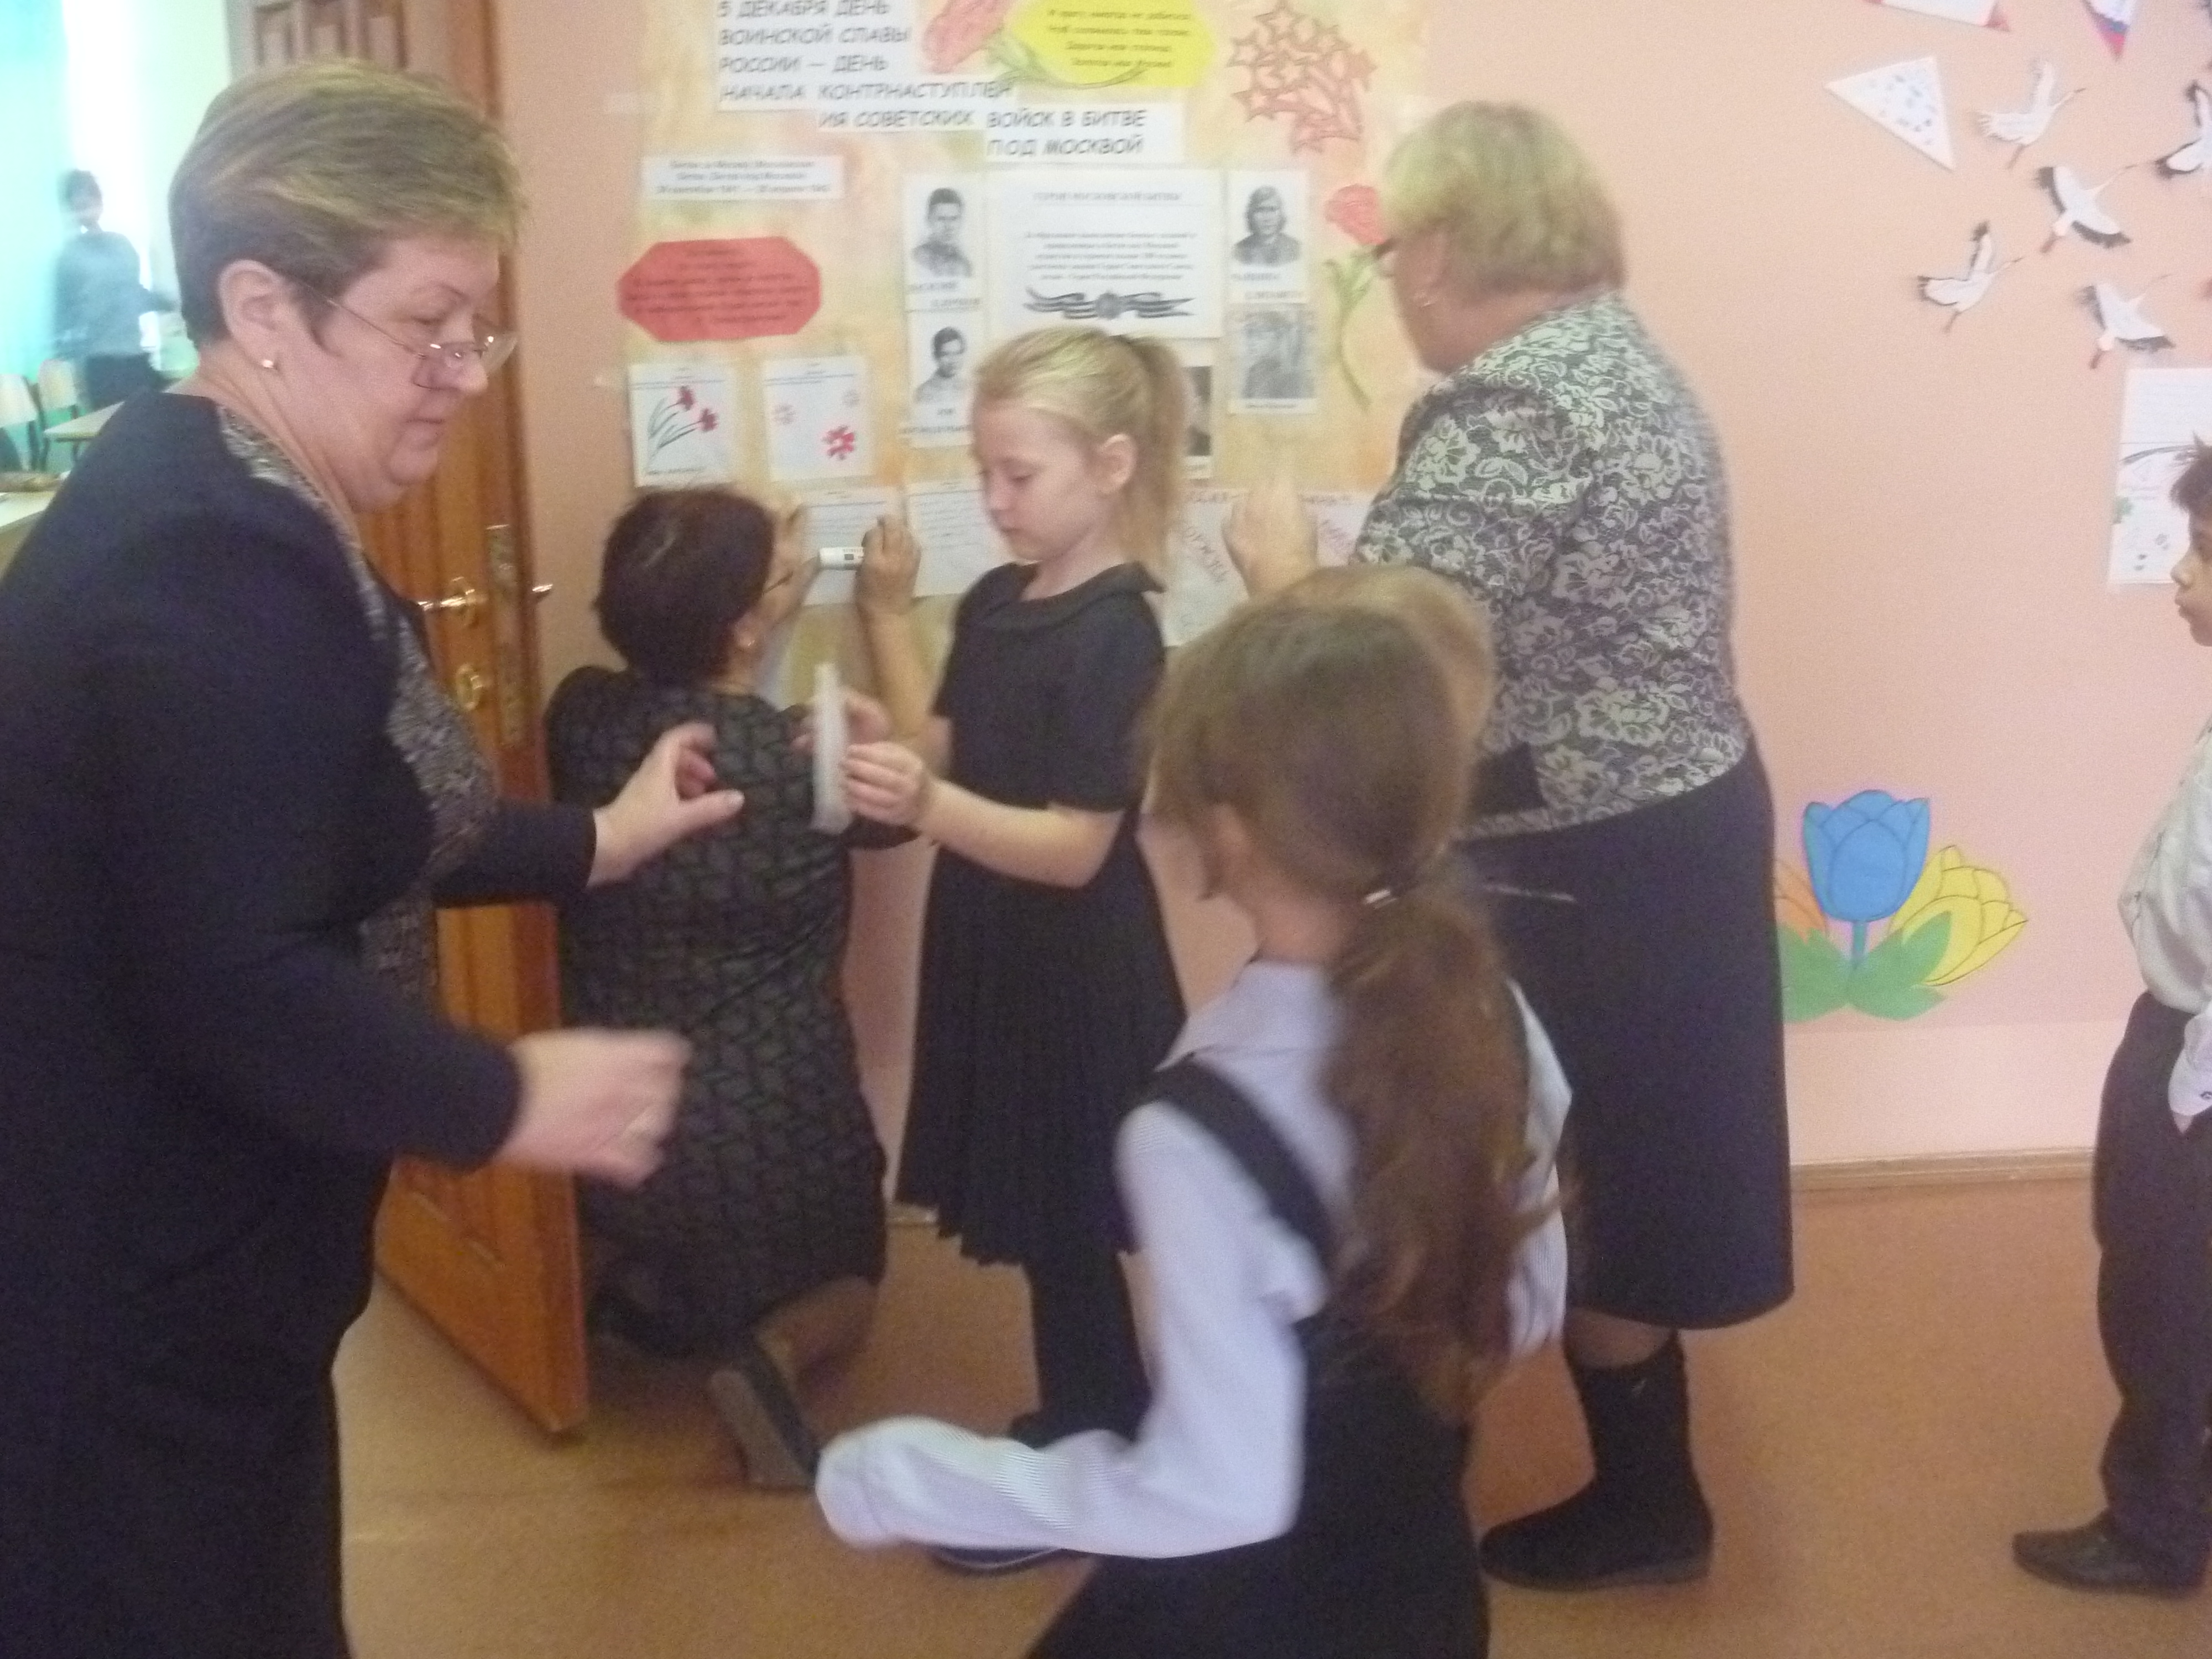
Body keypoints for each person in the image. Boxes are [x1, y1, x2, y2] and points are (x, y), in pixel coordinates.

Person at [0, 61, 744, 1659]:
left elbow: (341, 816)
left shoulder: (223, 492)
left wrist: (603, 839)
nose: (463, 374)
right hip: (130, 1291)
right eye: (429, 324)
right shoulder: (214, 556)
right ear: (264, 307)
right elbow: (229, 971)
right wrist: (507, 1095)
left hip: (200, 1278)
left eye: (479, 327)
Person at [1225, 101, 1791, 1592]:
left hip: (1584, 859)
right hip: (1653, 826)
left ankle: (1467, 1506)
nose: (1392, 283)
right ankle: (1651, 1500)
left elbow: (1380, 686)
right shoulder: (1615, 358)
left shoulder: (1513, 411)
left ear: (1442, 250)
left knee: (1516, 1171)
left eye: (1393, 250)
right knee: (1616, 1176)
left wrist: (1278, 579)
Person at [818, 598, 1571, 1659]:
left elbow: (1218, 1493)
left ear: (1228, 831)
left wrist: (912, 1479)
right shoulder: (1489, 1006)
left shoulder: (1194, 1131)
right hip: (1424, 1595)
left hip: (1256, 1618)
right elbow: (1528, 1306)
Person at [840, 325, 1188, 1567]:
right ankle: (1094, 1417)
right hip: (994, 936)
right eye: (982, 472)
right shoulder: (998, 600)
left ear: (1110, 464)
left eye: (1018, 474)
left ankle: (1101, 1437)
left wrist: (929, 804)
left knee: (1069, 1210)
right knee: (1050, 1219)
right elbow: (953, 742)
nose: (993, 500)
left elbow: (1079, 847)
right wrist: (891, 745)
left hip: (1074, 960)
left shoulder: (1119, 631)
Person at [549, 487, 905, 1490]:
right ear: (746, 624)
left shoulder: (579, 714)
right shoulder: (799, 760)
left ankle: (632, 1294)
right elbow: (909, 795)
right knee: (852, 1277)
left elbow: (692, 691)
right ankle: (773, 1356)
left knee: (657, 1240)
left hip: (608, 1127)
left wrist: (748, 599)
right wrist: (885, 611)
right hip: (772, 1136)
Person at [2012, 449, 2212, 1599]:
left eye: (2203, 556)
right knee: (2152, 1269)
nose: (2179, 577)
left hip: (2194, 1063)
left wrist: (2186, 1084)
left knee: (2162, 1299)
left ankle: (2154, 1527)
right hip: (2171, 1032)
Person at [53, 168, 172, 409]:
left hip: (135, 355)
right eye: (77, 204)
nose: (85, 208)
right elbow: (63, 316)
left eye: (89, 200)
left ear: (100, 201)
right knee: (113, 426)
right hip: (101, 365)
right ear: (70, 209)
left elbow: (135, 294)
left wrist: (170, 302)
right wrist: (74, 367)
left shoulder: (121, 245)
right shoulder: (70, 256)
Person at [1239, 308, 1312, 402]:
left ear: (1278, 338)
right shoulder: (1253, 372)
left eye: (1260, 337)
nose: (1253, 343)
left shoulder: (1288, 376)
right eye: (1251, 337)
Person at [1232, 184, 1301, 267]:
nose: (1267, 218)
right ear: (1251, 215)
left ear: (1281, 214)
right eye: (1260, 210)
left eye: (1272, 210)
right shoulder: (1239, 251)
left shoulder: (1297, 248)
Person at [912, 186, 973, 278]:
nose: (948, 227)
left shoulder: (964, 265)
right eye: (941, 219)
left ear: (961, 220)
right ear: (929, 220)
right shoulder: (916, 259)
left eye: (954, 219)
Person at [913, 325, 970, 411]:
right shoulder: (922, 393)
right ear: (936, 356)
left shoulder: (971, 390)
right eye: (946, 354)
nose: (953, 360)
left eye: (957, 353)